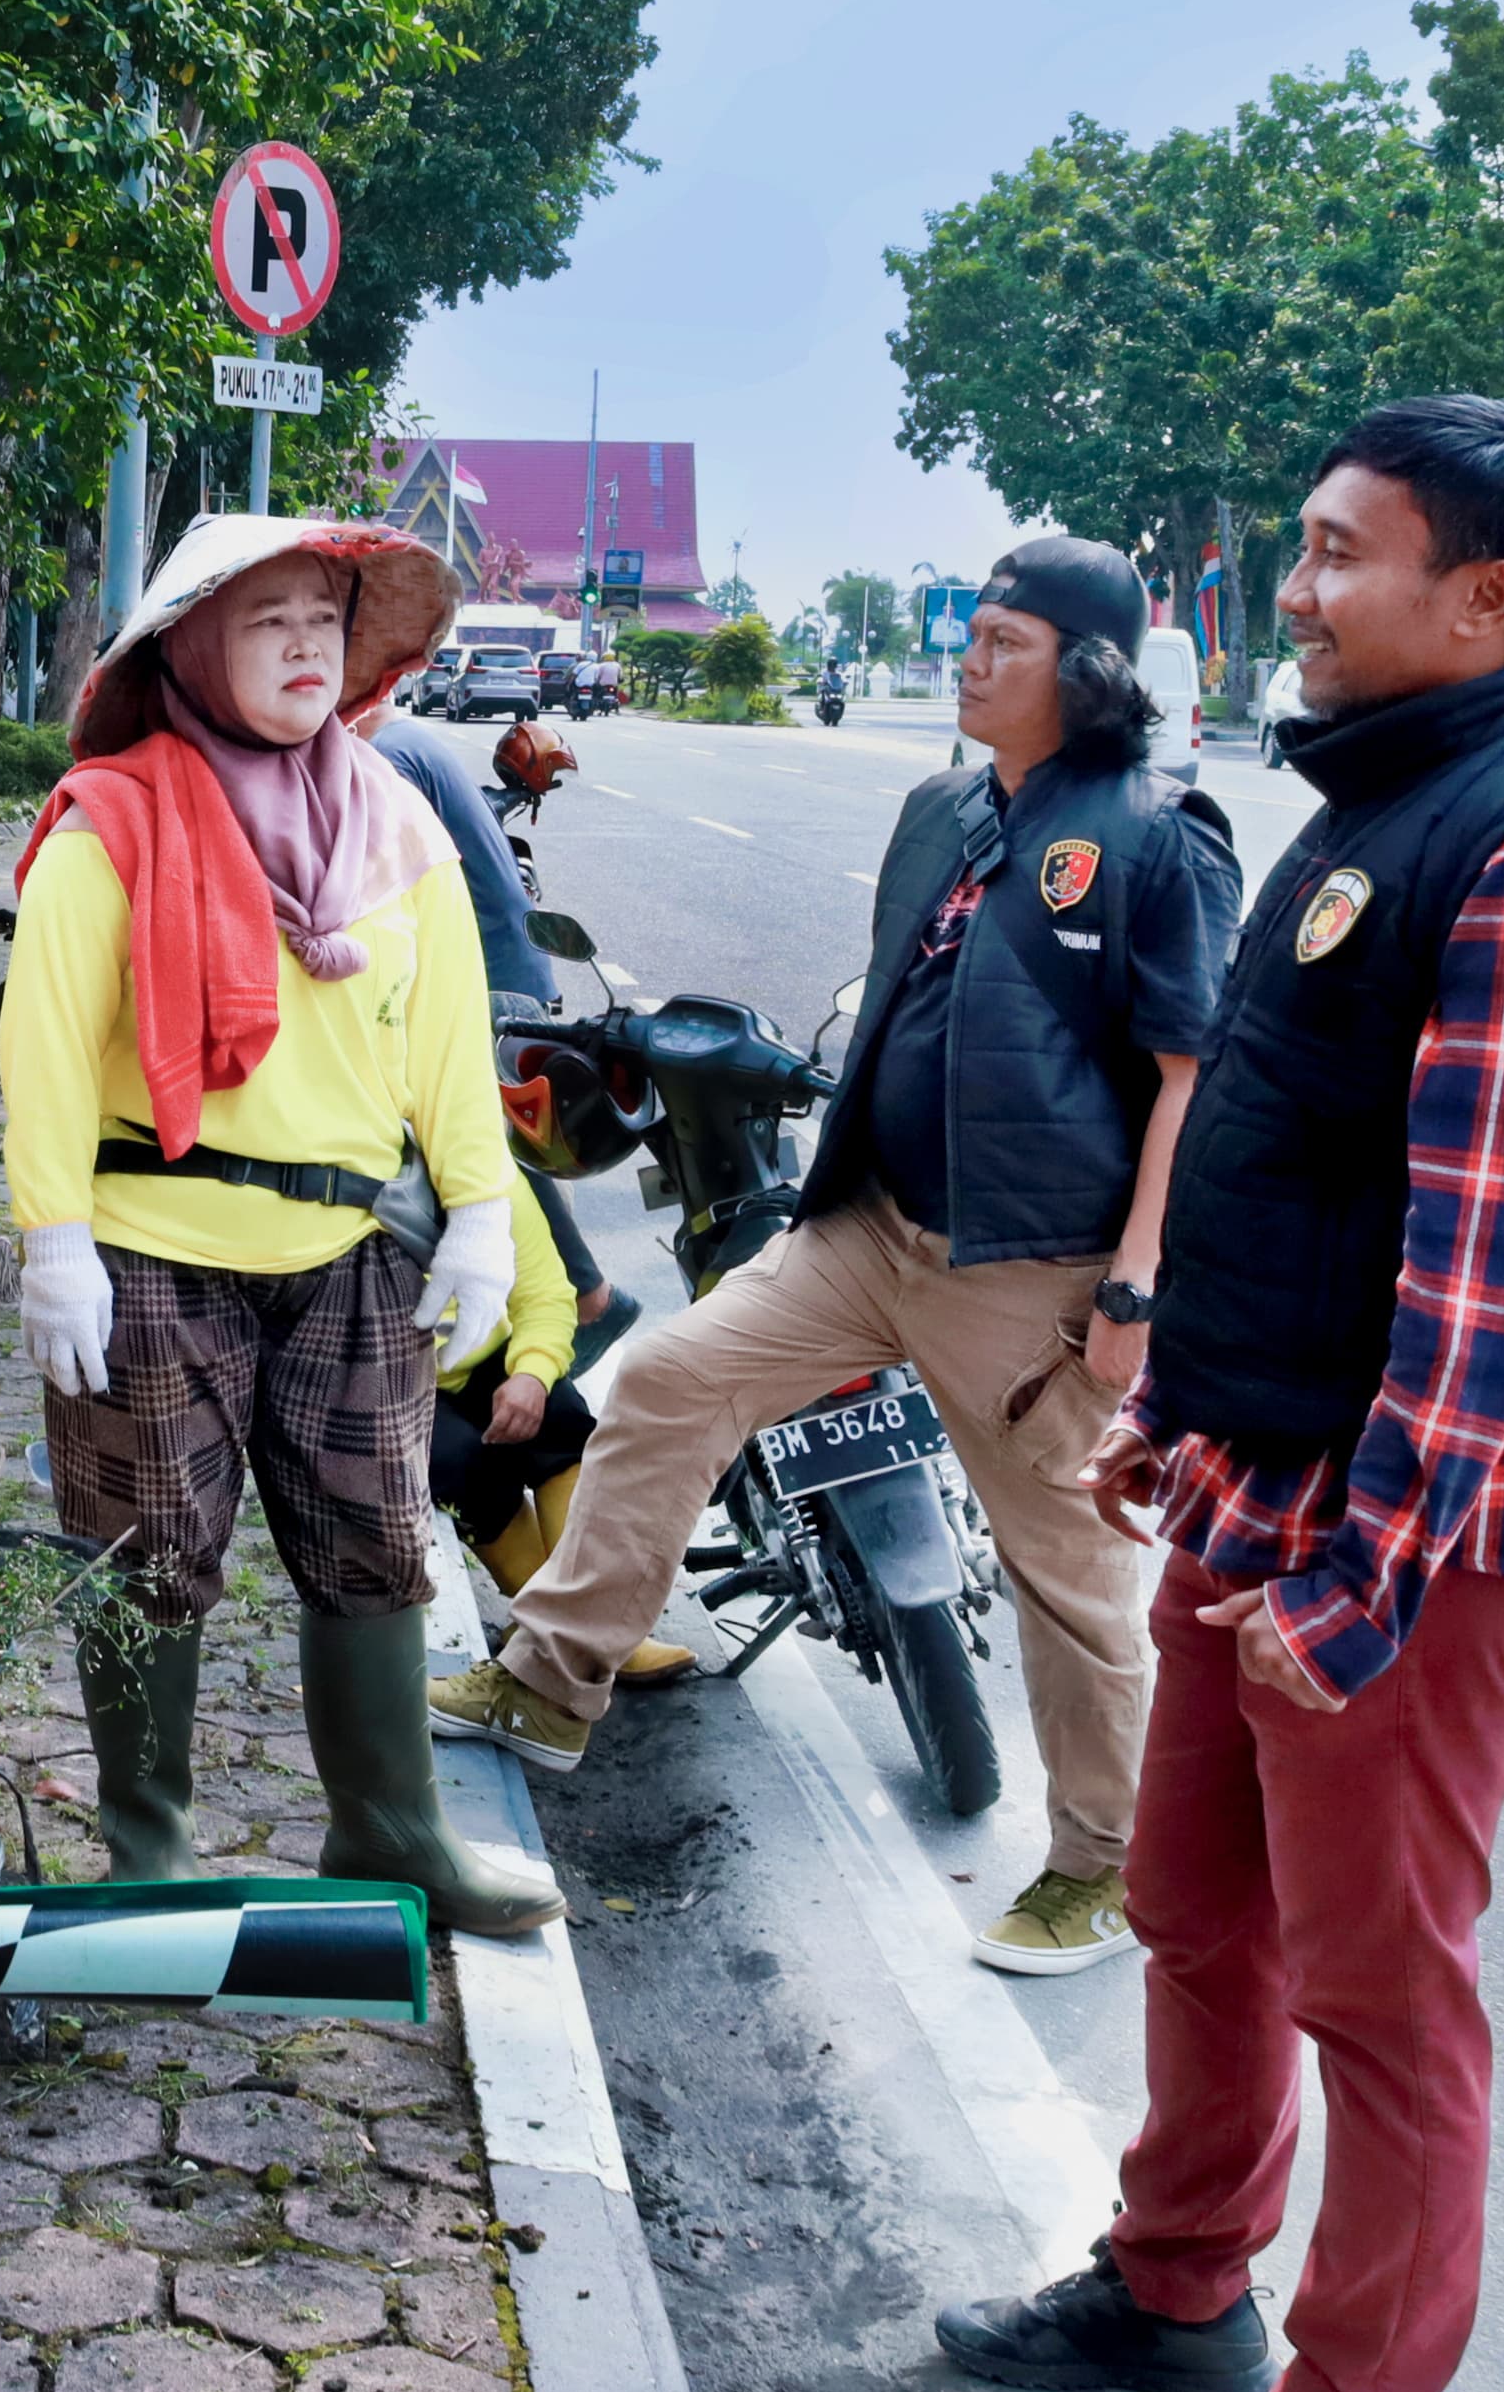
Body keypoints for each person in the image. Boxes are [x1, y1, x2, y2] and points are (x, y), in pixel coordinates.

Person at [934, 398, 1504, 2392]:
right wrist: (1187, 1409)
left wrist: (1366, 1565)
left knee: (1377, 1986)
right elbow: (1286, 1156)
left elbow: (1488, 1268)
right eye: (1299, 543)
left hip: (1433, 1533)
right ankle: (1175, 2281)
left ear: (1485, 595)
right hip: (1272, 1481)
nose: (1292, 588)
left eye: (1340, 550)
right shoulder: (1379, 798)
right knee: (1194, 1906)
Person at [431, 531, 1239, 1981]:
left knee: (1066, 1578)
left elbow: (1191, 1078)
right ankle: (550, 1681)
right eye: (969, 634)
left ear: (1089, 671)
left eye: (1003, 643)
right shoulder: (945, 809)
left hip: (1032, 1269)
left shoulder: (1156, 834)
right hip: (867, 1228)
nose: (968, 661)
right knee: (670, 1378)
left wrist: (1135, 1285)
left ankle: (1102, 1867)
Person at [3, 510, 562, 1939]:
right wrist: (52, 1243)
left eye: (325, 618)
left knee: (377, 1541)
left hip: (352, 1254)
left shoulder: (397, 826)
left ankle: (391, 1832)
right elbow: (45, 1049)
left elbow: (450, 1049)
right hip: (148, 1252)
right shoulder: (109, 820)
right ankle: (148, 1856)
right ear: (191, 646)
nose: (307, 644)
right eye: (267, 620)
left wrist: (482, 1221)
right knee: (145, 1555)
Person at [362, 698, 633, 1372]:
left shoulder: (385, 758)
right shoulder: (410, 745)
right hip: (502, 968)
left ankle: (588, 1299)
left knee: (484, 1142)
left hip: (487, 979)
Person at [428, 1178, 690, 1689]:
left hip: (484, 1346)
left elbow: (545, 1289)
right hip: (387, 1379)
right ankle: (546, 1624)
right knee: (458, 1465)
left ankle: (598, 1628)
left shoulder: (483, 1163)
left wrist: (532, 1373)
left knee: (563, 1419)